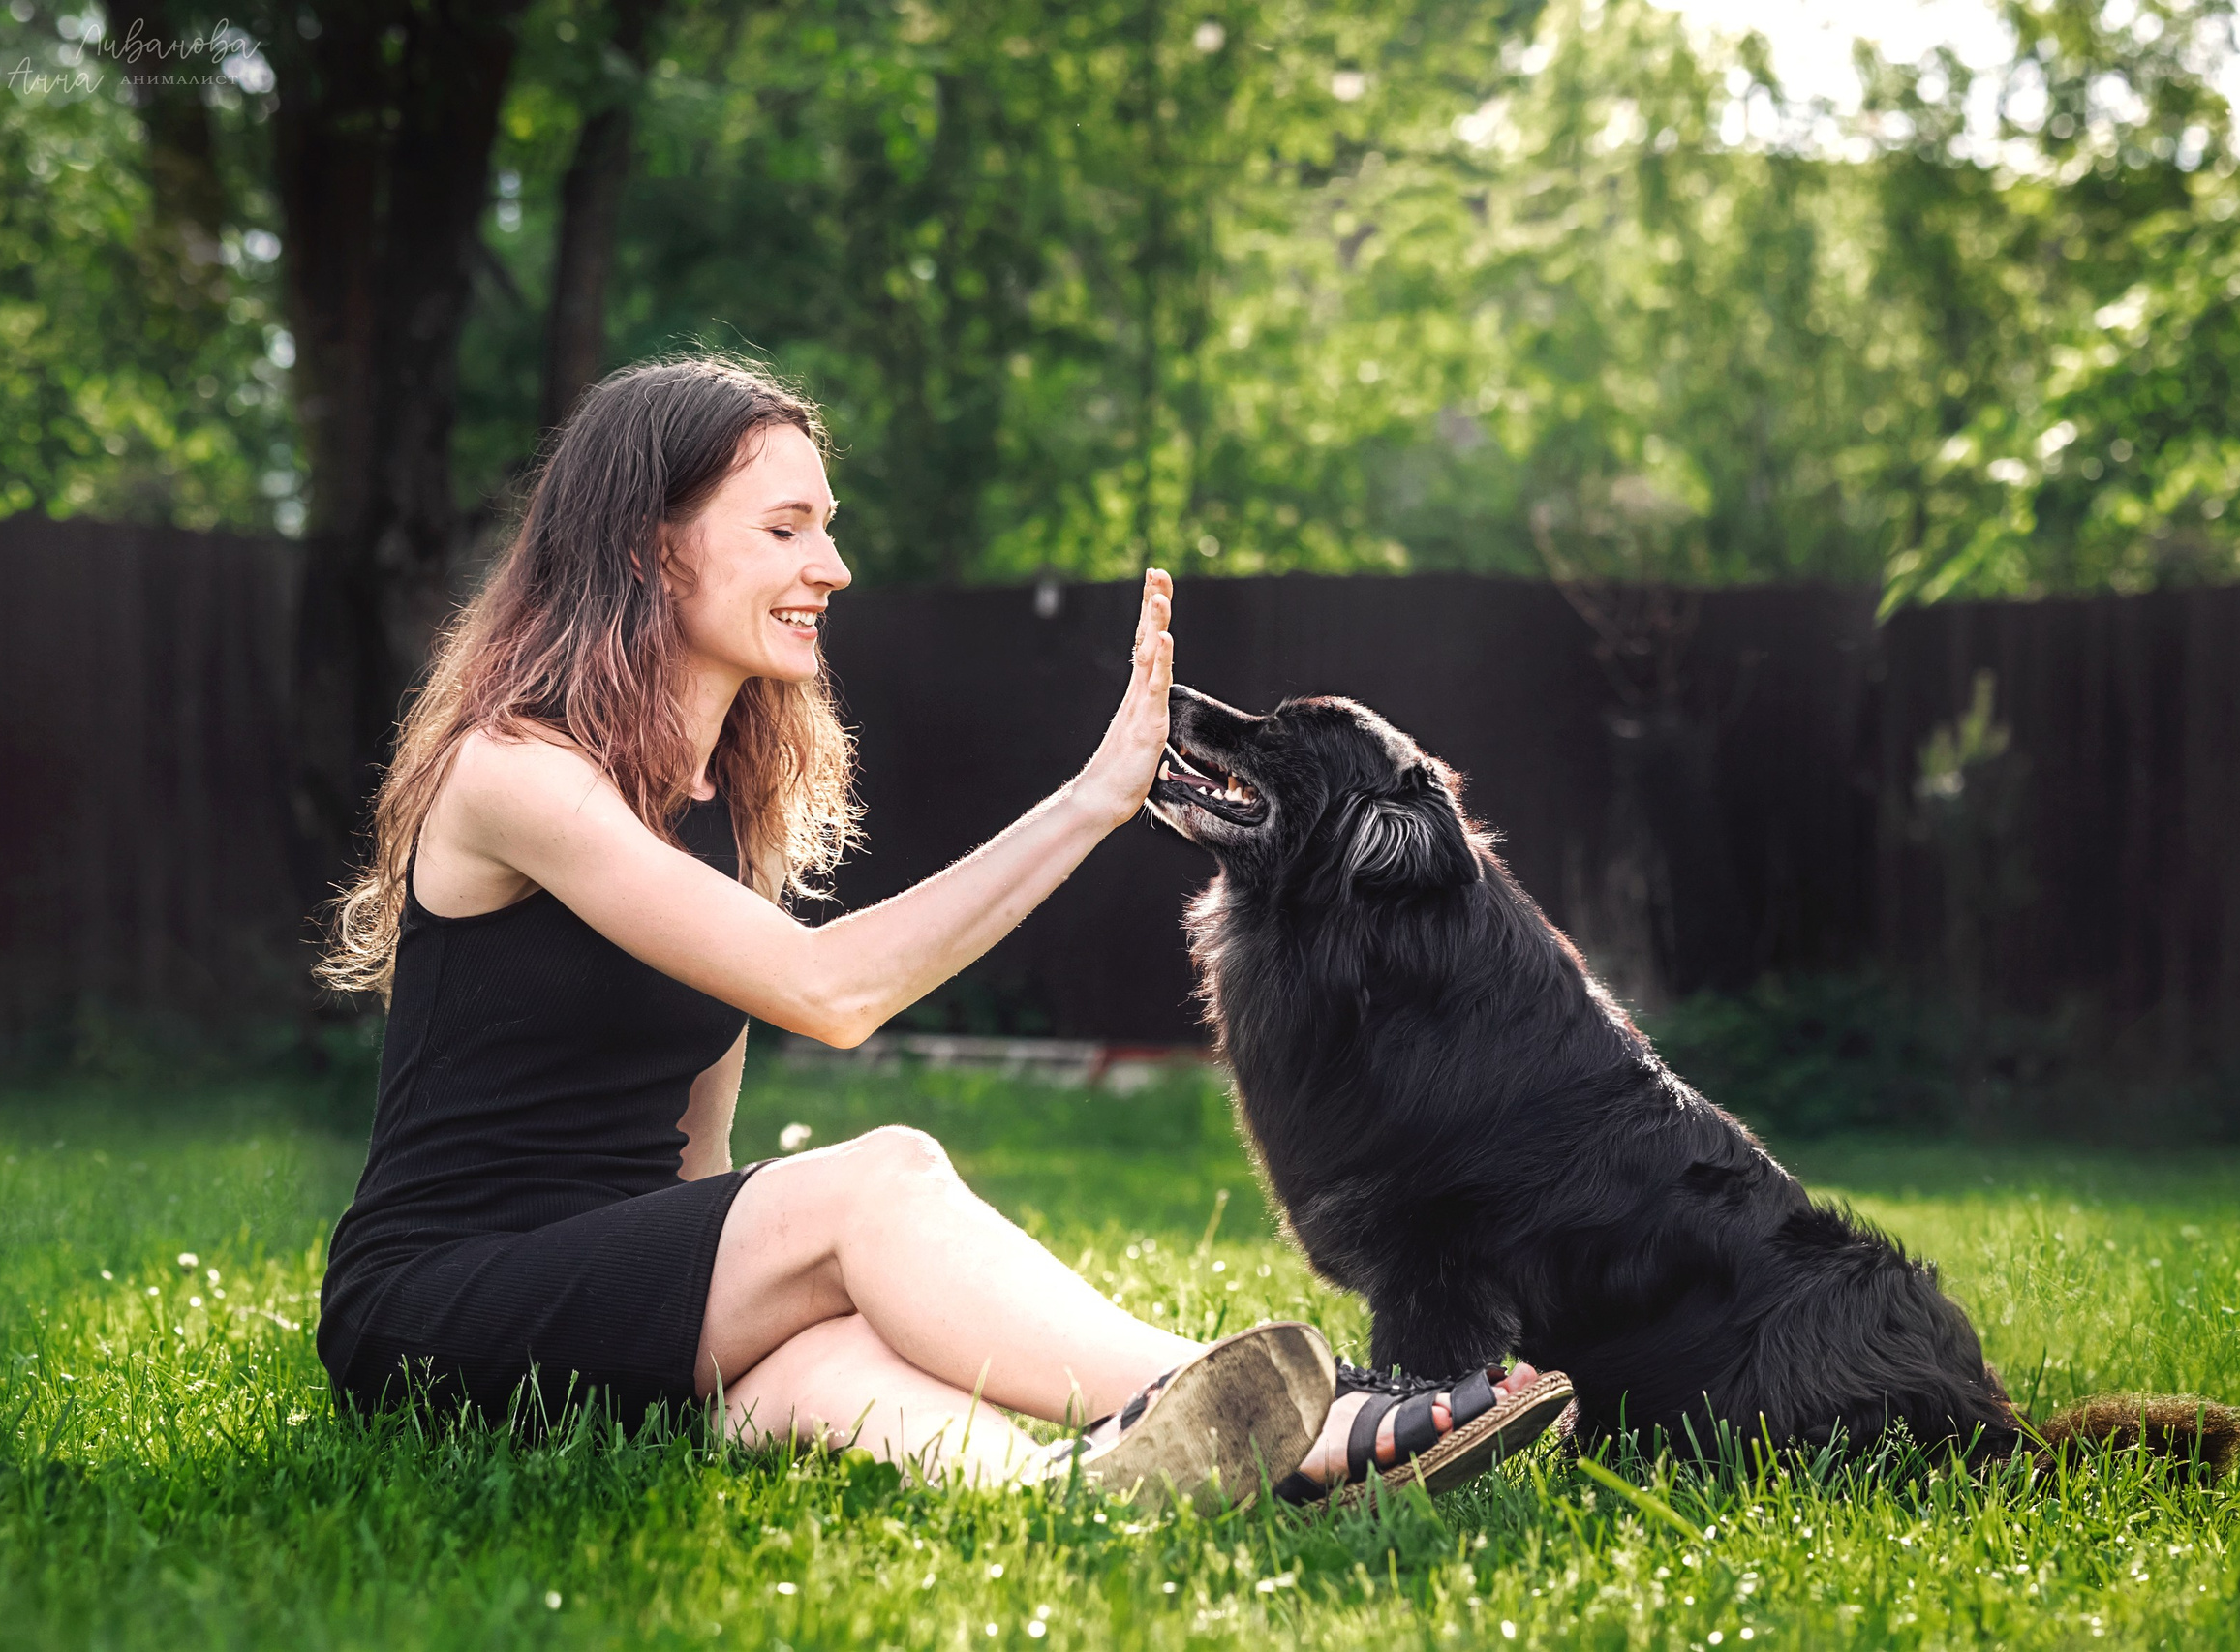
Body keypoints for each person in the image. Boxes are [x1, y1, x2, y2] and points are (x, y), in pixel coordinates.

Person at [313, 353, 1552, 1505]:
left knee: (830, 1353)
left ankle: (1081, 1490)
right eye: (785, 528)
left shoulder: (724, 811)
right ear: (650, 552)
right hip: (435, 1303)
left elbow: (689, 1164)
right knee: (880, 1177)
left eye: (829, 527)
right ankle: (1302, 1406)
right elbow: (827, 991)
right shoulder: (514, 772)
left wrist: (749, 1323)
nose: (832, 567)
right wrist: (1087, 802)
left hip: (597, 1287)